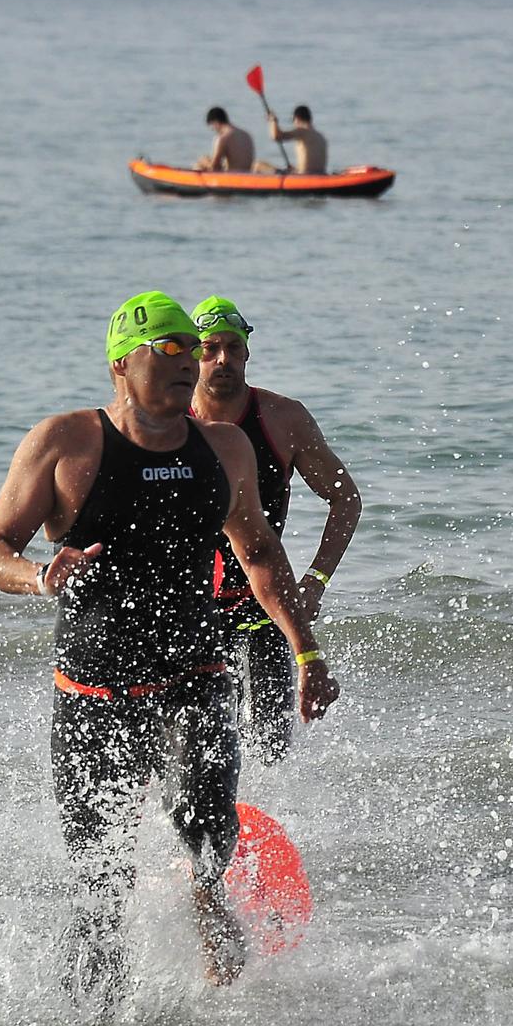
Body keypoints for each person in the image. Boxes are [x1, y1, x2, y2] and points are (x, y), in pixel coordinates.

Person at [0, 291, 339, 1010]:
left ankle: (219, 973)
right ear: (120, 364)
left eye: (189, 348)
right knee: (98, 886)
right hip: (94, 692)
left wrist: (305, 650)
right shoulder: (65, 443)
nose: (187, 362)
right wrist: (39, 576)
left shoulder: (224, 449)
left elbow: (260, 552)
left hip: (197, 677)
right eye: (166, 350)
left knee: (209, 843)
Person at [187, 295, 361, 764]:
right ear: (190, 354)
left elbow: (345, 498)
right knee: (196, 741)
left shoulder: (284, 419)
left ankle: (269, 824)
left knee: (271, 748)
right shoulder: (165, 423)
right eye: (209, 348)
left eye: (233, 348)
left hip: (266, 602)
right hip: (188, 606)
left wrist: (315, 582)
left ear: (247, 353)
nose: (222, 359)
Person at [253, 105, 329, 175]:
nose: (294, 124)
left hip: (304, 177)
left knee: (257, 165)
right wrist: (296, 169)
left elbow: (276, 136)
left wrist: (273, 121)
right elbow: (311, 164)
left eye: (293, 121)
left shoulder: (302, 130)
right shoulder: (321, 136)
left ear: (297, 119)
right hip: (320, 174)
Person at [197, 107, 254, 172]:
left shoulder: (223, 138)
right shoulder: (246, 134)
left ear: (215, 122)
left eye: (212, 128)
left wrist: (204, 162)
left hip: (232, 177)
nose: (214, 130)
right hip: (247, 174)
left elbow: (214, 167)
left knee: (200, 162)